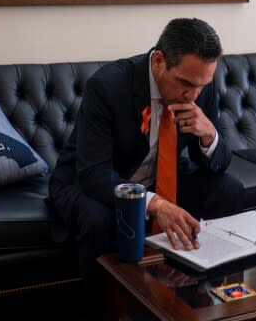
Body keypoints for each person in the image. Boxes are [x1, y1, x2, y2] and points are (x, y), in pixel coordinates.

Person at [49, 17, 244, 312]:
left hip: (158, 179)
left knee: (229, 189)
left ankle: (207, 300)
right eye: (186, 84)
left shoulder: (201, 83)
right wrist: (155, 205)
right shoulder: (107, 85)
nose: (193, 96)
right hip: (91, 182)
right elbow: (94, 174)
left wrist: (209, 136)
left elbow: (217, 163)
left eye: (201, 86)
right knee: (98, 218)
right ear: (158, 62)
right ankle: (104, 310)